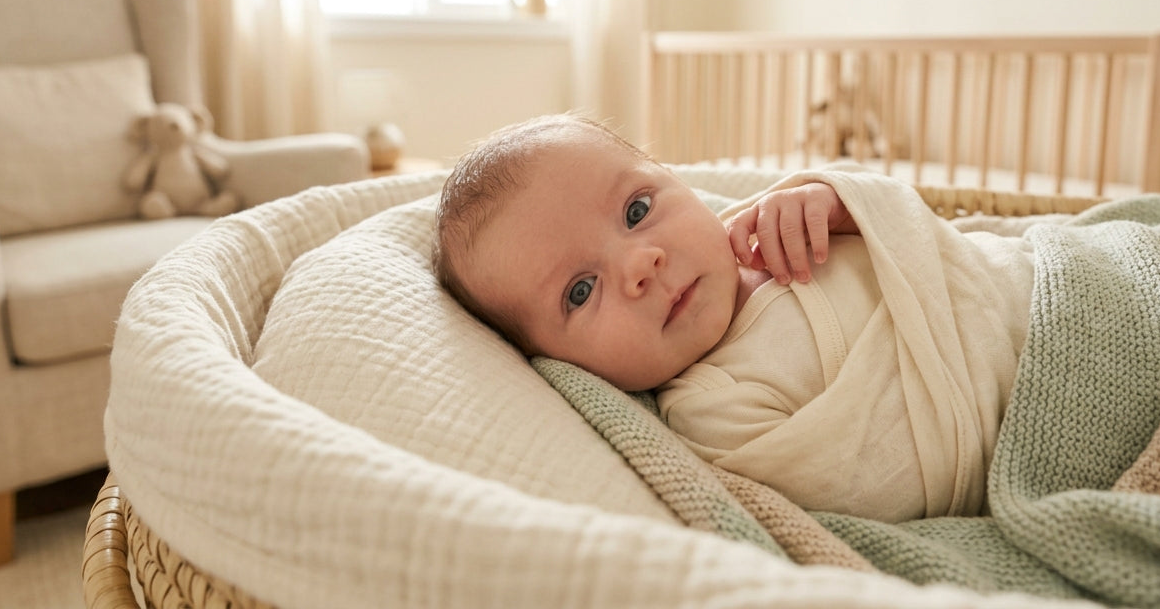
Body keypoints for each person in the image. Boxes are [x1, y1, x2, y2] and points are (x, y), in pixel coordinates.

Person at [434, 113, 1032, 522]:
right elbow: (877, 482)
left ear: (677, 181)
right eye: (581, 290)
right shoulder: (710, 407)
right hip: (1030, 382)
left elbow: (921, 232)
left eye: (638, 209)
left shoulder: (765, 226)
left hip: (1039, 282)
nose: (642, 263)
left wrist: (838, 201)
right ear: (553, 363)